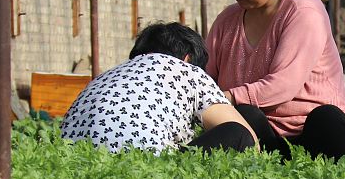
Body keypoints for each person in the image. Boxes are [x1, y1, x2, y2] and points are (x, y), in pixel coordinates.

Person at [205, 0, 345, 160]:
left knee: (327, 118)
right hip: (266, 139)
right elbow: (204, 77)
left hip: (315, 136)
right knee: (244, 115)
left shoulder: (303, 11)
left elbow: (283, 86)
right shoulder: (226, 21)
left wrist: (225, 97)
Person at [61, 22, 257, 153]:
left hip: (75, 163)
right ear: (188, 58)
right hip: (147, 168)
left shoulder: (105, 76)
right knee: (237, 132)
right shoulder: (187, 71)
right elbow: (249, 139)